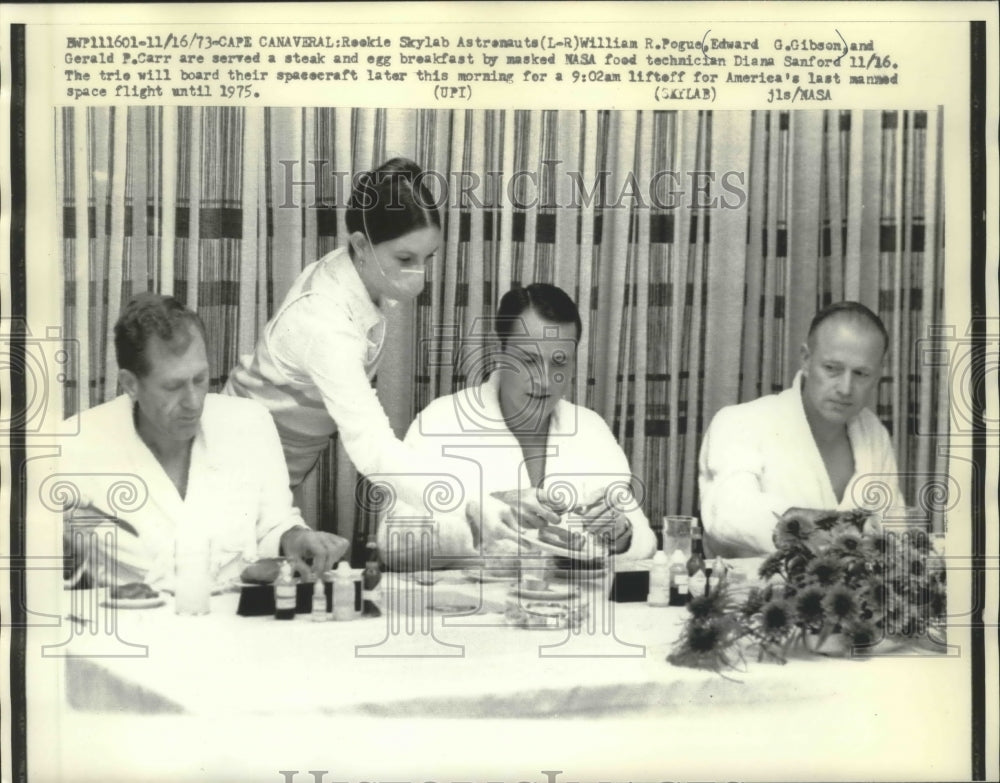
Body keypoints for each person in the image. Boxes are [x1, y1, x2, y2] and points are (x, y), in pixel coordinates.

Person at [224, 157, 520, 538]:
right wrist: (470, 502)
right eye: (405, 259)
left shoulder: (359, 273)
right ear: (361, 245)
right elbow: (372, 446)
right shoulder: (325, 324)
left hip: (278, 467)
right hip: (234, 464)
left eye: (427, 258)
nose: (420, 275)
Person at [61, 294, 347, 589]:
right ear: (130, 384)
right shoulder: (77, 444)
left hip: (236, 624)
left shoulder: (249, 423)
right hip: (136, 625)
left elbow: (275, 525)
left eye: (200, 379)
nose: (193, 401)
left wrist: (296, 538)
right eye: (173, 386)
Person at [379, 283, 657, 569]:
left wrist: (621, 534)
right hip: (472, 608)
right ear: (499, 352)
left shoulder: (590, 429)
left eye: (559, 363)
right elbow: (392, 543)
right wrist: (479, 520)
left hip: (570, 607)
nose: (545, 380)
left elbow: (645, 542)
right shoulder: (440, 422)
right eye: (529, 360)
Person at [698, 301, 903, 557]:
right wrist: (833, 528)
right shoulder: (740, 421)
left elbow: (895, 530)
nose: (845, 388)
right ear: (806, 360)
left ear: (877, 376)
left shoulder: (873, 433)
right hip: (755, 593)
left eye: (861, 373)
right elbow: (728, 514)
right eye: (832, 369)